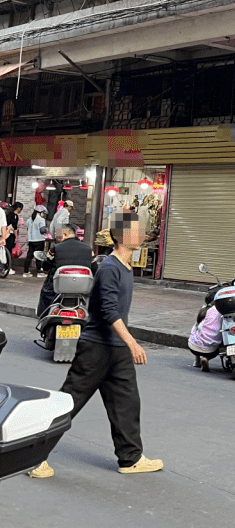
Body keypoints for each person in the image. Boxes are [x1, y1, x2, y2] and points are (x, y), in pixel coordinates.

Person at [28, 212, 164, 479]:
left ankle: (130, 458)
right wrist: (133, 343)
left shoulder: (125, 267)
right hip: (97, 348)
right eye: (137, 230)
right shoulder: (110, 268)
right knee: (69, 402)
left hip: (116, 351)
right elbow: (109, 311)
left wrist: (125, 346)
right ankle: (31, 457)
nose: (142, 234)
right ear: (122, 236)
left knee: (127, 404)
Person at [37, 224, 93, 319]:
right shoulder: (88, 249)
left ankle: (43, 318)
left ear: (65, 233)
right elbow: (94, 268)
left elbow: (46, 266)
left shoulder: (56, 248)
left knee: (46, 292)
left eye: (57, 234)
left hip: (57, 289)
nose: (56, 237)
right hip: (81, 290)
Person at [24, 205, 47, 277]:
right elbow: (42, 231)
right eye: (43, 213)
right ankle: (39, 272)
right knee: (39, 256)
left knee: (29, 256)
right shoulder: (41, 220)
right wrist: (47, 231)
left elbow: (28, 229)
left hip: (31, 240)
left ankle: (26, 272)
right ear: (41, 212)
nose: (43, 214)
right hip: (39, 240)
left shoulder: (29, 220)